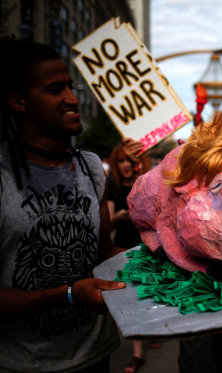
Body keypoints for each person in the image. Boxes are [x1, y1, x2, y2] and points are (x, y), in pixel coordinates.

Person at [0, 38, 126, 372]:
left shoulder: (91, 166)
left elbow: (102, 255)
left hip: (94, 355)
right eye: (56, 89)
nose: (72, 99)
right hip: (23, 364)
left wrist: (167, 254)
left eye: (70, 86)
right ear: (18, 102)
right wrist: (68, 294)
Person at [106, 139, 154, 373]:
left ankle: (152, 330)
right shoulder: (113, 186)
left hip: (146, 247)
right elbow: (108, 220)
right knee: (132, 298)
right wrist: (119, 217)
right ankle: (138, 353)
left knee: (149, 294)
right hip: (123, 247)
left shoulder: (144, 184)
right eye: (121, 160)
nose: (125, 165)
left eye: (130, 160)